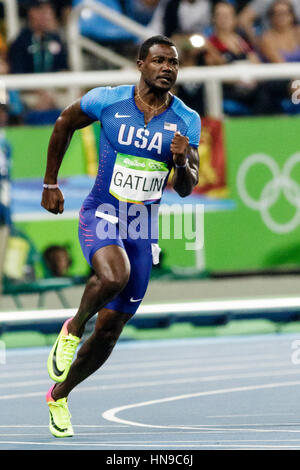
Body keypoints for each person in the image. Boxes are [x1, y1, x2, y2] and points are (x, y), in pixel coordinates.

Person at [41, 35, 201, 438]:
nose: (168, 68)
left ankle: (59, 395)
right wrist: (50, 183)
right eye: (160, 60)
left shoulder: (186, 120)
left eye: (174, 63)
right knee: (115, 275)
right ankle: (72, 329)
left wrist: (181, 162)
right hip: (102, 212)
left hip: (141, 228)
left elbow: (186, 187)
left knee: (110, 331)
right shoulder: (107, 101)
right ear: (140, 63)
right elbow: (63, 122)